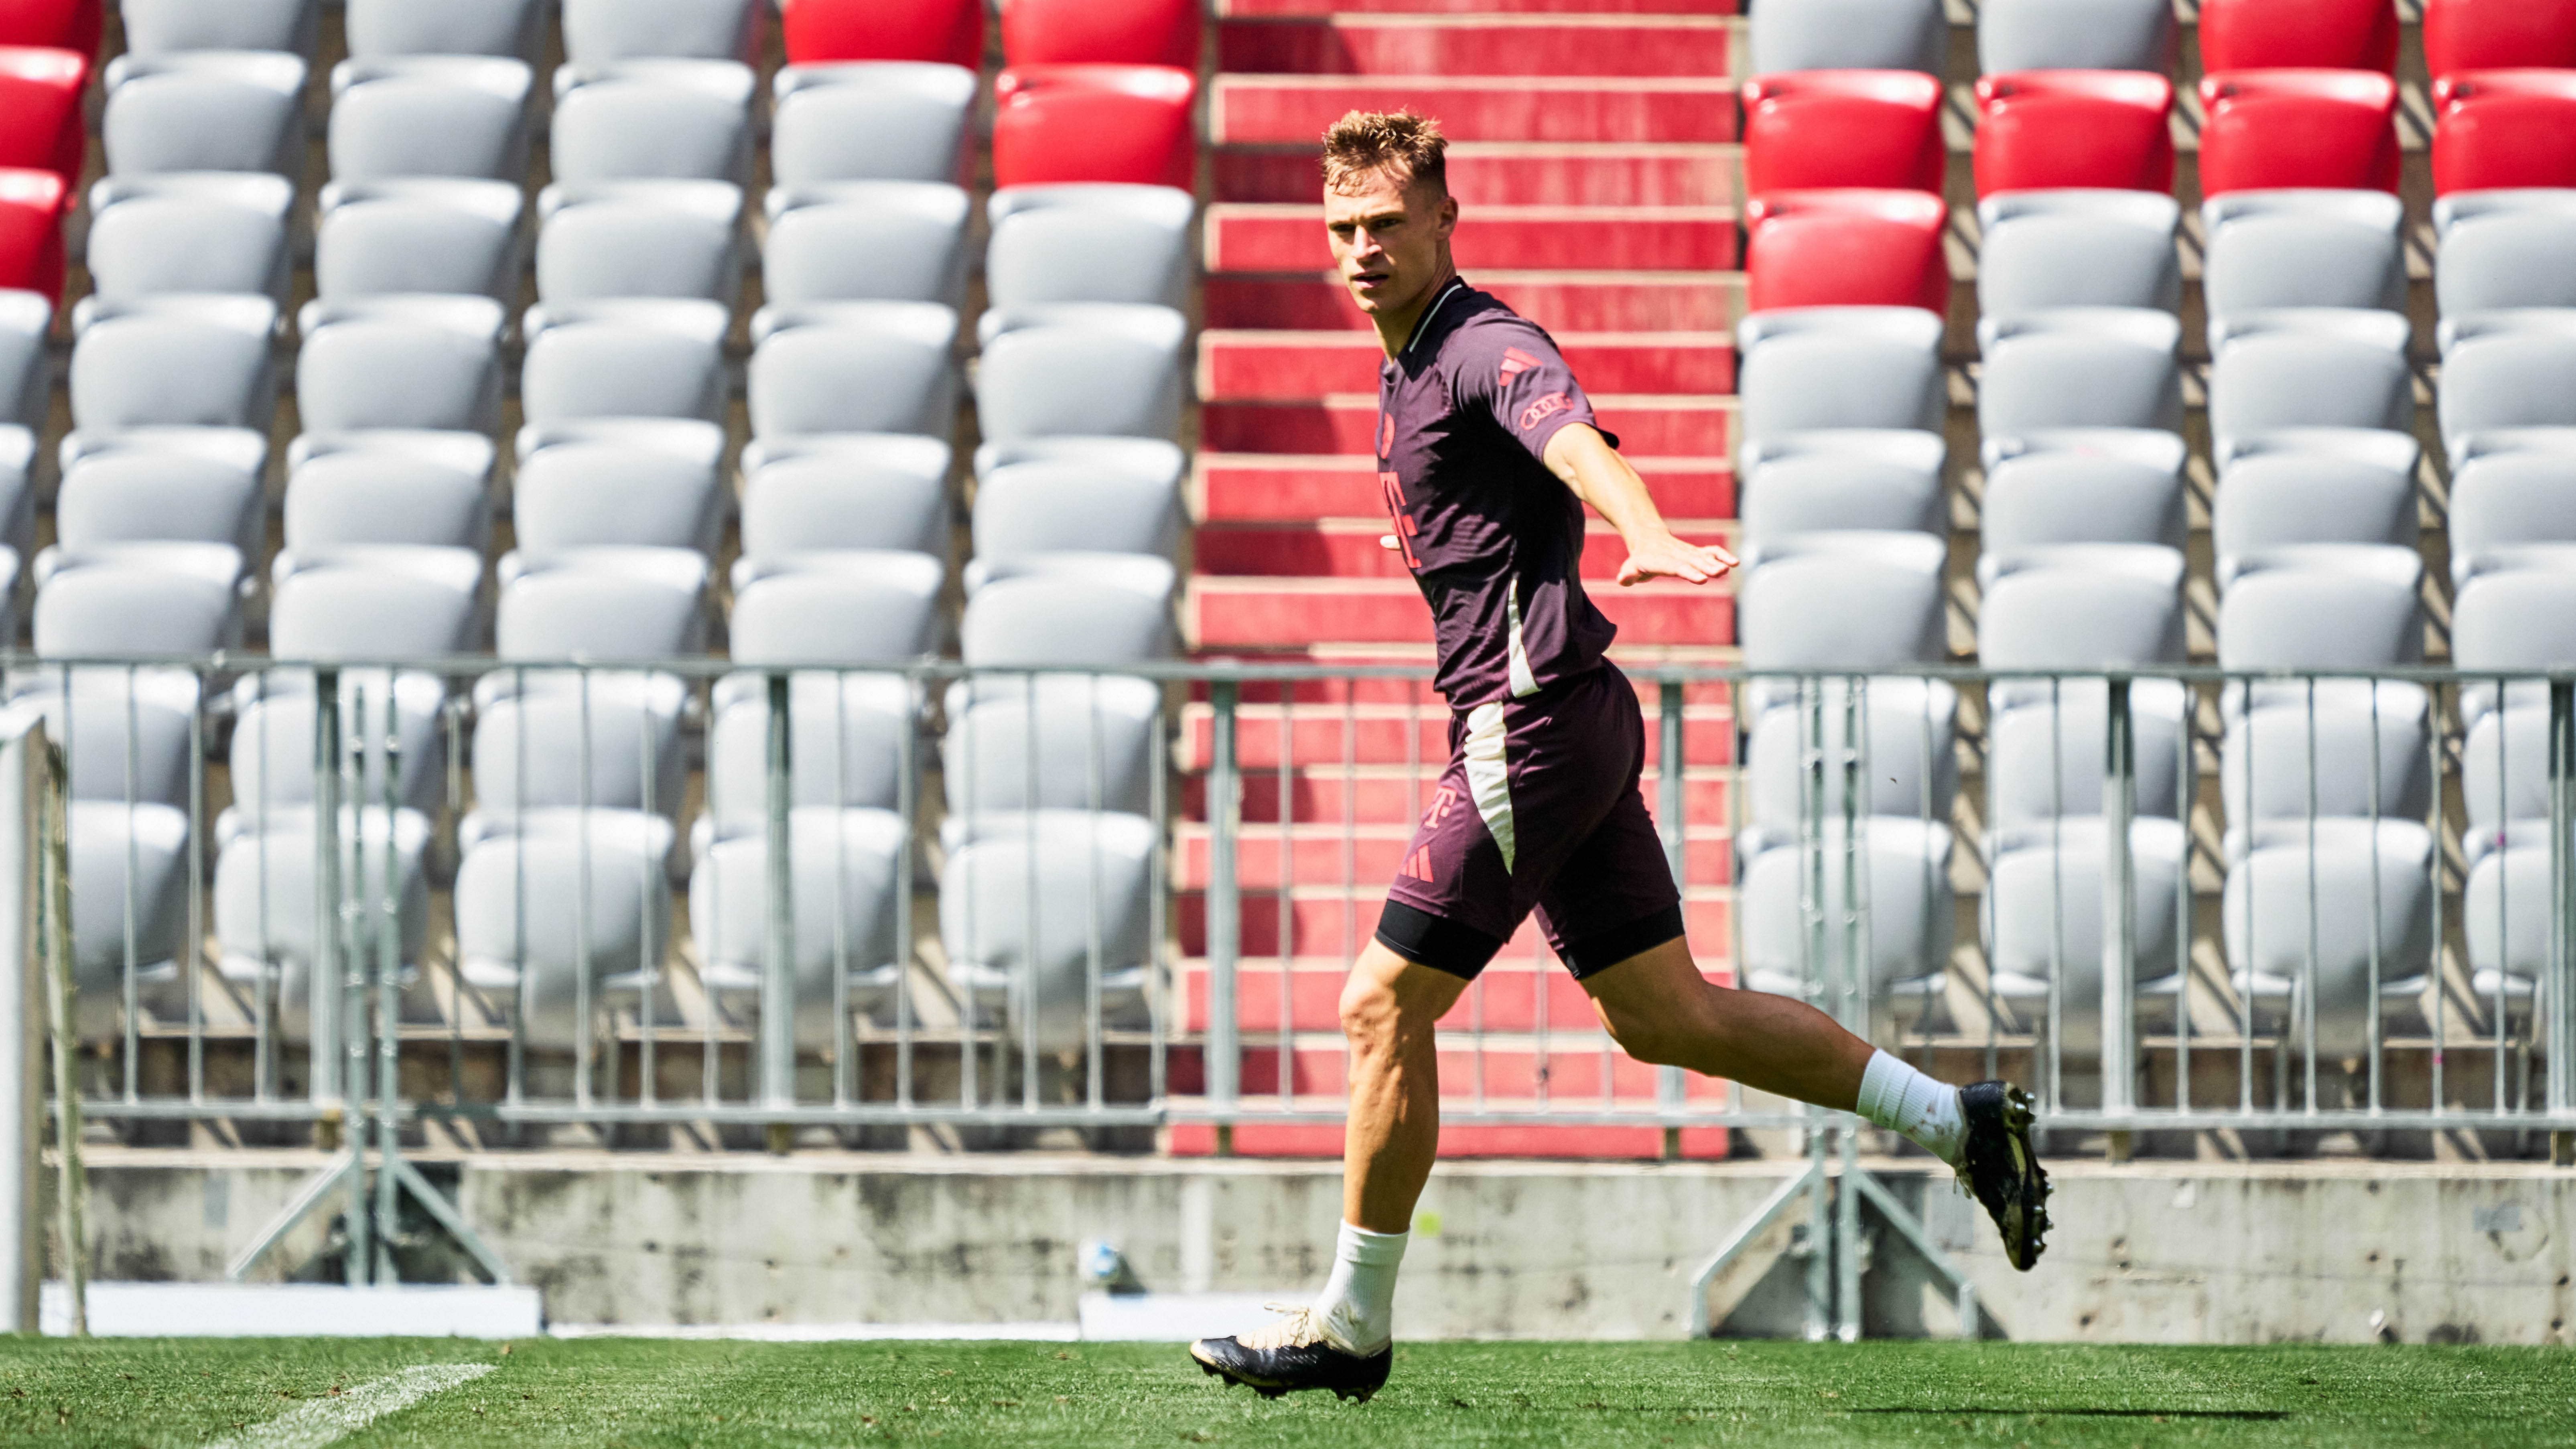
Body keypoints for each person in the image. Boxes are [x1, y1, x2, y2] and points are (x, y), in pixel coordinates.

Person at [1189, 111, 2048, 1404]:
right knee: (1666, 1016)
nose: (1362, 249)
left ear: (1444, 222)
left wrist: (1643, 526)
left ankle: (1350, 1324)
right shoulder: (1406, 363)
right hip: (1570, 716)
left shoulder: (1483, 343)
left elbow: (1573, 439)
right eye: (1343, 229)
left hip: (1528, 725)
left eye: (1386, 224)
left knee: (1379, 1005)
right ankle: (1959, 1121)